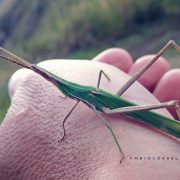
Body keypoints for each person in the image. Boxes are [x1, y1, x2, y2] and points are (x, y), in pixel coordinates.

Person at [0, 48, 179, 179]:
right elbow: (71, 99)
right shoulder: (71, 91)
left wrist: (122, 154)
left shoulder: (78, 93)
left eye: (47, 77)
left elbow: (107, 124)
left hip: (111, 106)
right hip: (99, 98)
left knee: (166, 104)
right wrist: (62, 126)